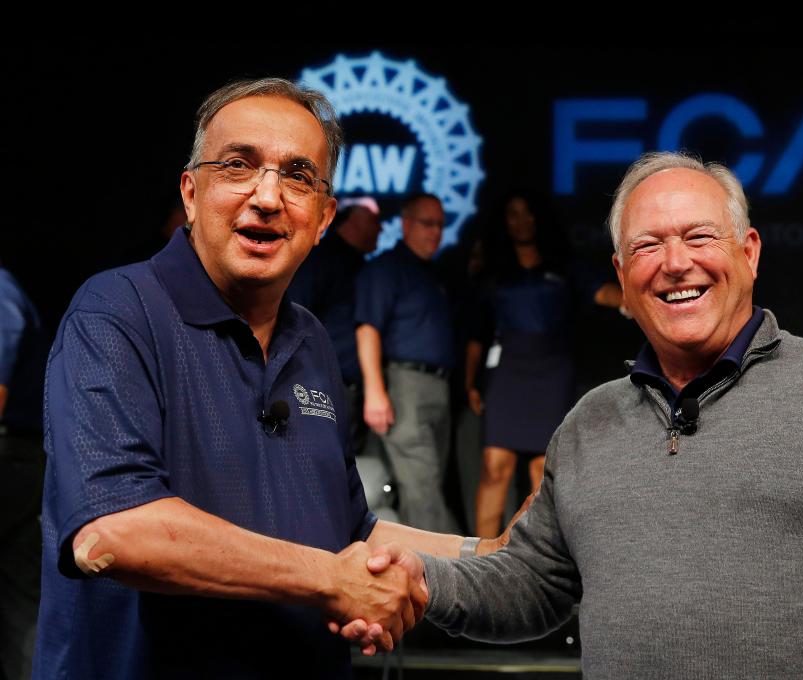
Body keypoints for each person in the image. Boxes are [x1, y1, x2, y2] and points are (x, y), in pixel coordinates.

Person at [364, 152, 803, 678]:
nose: (675, 263)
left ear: (749, 253)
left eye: (700, 236)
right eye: (647, 246)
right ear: (622, 278)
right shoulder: (588, 424)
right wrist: (418, 577)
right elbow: (532, 585)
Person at [32, 78, 503, 680]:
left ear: (325, 217)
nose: (267, 197)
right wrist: (331, 581)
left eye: (299, 176)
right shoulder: (116, 311)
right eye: (238, 166)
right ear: (192, 191)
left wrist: (491, 557)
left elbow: (352, 531)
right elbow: (115, 530)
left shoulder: (309, 340)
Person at [465, 193, 621, 537]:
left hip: (552, 370)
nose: (521, 221)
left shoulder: (565, 264)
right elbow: (478, 332)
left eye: (528, 213)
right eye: (513, 213)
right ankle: (478, 558)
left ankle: (541, 566)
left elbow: (604, 292)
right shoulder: (495, 270)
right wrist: (470, 381)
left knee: (542, 470)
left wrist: (637, 301)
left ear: (541, 219)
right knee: (494, 466)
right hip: (507, 370)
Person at [355, 194, 460, 533]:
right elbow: (367, 328)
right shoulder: (386, 268)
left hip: (437, 388)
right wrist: (375, 392)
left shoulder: (433, 274)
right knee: (422, 490)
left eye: (441, 225)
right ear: (406, 224)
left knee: (424, 485)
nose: (435, 233)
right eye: (427, 224)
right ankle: (444, 576)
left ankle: (425, 570)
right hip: (404, 386)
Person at [288, 201, 382, 453]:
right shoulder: (321, 258)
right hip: (322, 386)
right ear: (353, 220)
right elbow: (293, 316)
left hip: (353, 389)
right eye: (374, 220)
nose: (381, 229)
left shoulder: (363, 266)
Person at [0, 265, 46, 680]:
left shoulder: (0, 293)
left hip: (11, 453)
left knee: (20, 595)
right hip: (18, 454)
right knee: (19, 595)